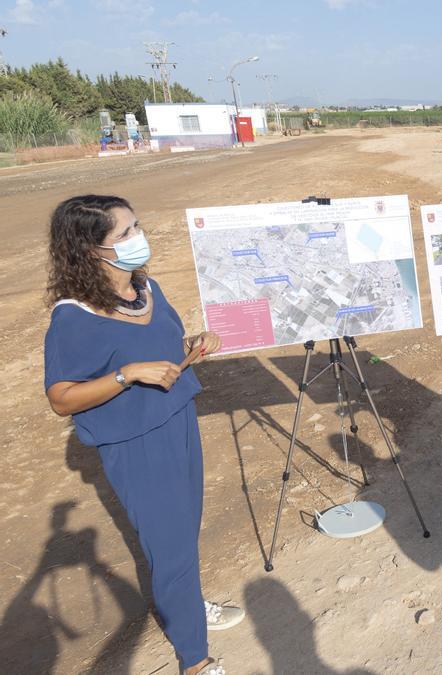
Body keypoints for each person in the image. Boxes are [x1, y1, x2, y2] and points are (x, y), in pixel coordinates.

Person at [43, 195, 244, 675]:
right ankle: (195, 661)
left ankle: (187, 608)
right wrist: (126, 375)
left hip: (177, 419)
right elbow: (60, 398)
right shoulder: (73, 317)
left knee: (182, 531)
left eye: (137, 226)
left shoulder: (144, 287)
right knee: (168, 541)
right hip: (135, 443)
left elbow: (162, 346)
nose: (139, 239)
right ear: (91, 250)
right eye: (125, 234)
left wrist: (195, 343)